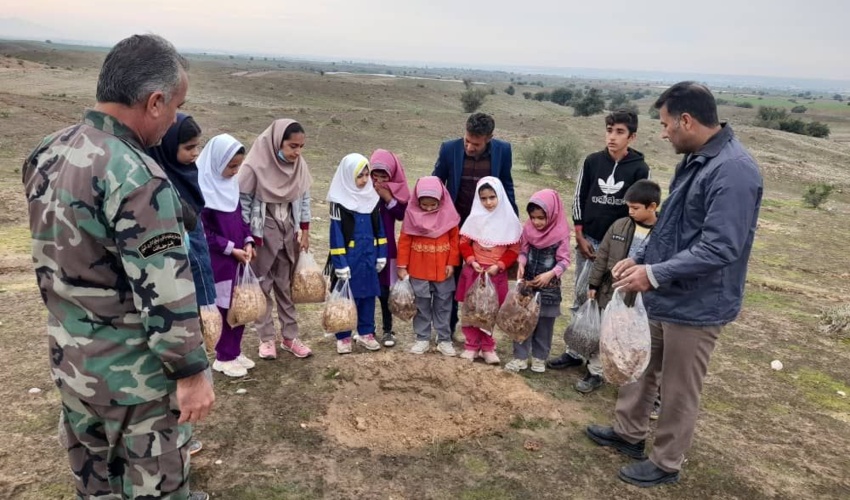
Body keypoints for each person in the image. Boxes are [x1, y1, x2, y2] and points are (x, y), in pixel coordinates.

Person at [22, 34, 213, 500]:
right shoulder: (136, 175)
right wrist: (191, 373)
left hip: (73, 364)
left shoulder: (48, 151)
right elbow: (165, 294)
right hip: (135, 384)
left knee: (97, 485)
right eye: (175, 107)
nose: (173, 120)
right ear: (154, 102)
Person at [586, 82, 763, 488]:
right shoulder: (696, 160)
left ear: (686, 120)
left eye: (666, 124)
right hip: (664, 293)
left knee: (679, 386)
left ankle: (666, 461)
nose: (663, 133)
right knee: (640, 365)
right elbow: (669, 224)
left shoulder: (733, 171)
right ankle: (628, 433)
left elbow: (722, 247)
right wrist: (643, 258)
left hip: (699, 303)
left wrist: (655, 273)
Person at [548, 109, 651, 371]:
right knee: (582, 295)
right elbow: (579, 197)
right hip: (589, 243)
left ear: (632, 137)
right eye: (609, 130)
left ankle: (598, 363)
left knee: (609, 303)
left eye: (619, 132)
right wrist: (580, 235)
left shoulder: (640, 168)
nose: (612, 137)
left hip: (618, 249)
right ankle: (575, 350)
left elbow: (637, 210)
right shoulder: (592, 161)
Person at [147, 112, 213, 457]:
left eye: (198, 147)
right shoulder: (154, 185)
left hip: (193, 280)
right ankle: (176, 445)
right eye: (189, 148)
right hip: (172, 294)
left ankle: (183, 438)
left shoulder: (185, 176)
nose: (195, 154)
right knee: (179, 374)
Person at [433, 112, 517, 338]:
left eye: (476, 144)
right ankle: (447, 331)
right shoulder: (449, 148)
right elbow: (437, 183)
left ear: (489, 138)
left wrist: (513, 224)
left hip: (485, 232)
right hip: (453, 227)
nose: (469, 147)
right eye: (467, 140)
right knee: (452, 277)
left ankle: (480, 331)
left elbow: (506, 186)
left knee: (481, 279)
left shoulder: (503, 150)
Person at [576, 179, 660, 394]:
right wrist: (593, 283)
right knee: (605, 331)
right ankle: (595, 371)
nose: (630, 212)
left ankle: (629, 378)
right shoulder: (619, 225)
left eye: (635, 208)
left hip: (640, 298)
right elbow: (602, 255)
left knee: (630, 338)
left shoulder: (662, 233)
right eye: (628, 207)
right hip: (610, 292)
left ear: (652, 206)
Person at [239, 119, 313, 360]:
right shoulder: (254, 166)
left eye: (301, 147)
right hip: (262, 233)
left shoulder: (299, 165)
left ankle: (290, 337)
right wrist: (247, 237)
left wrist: (305, 230)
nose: (297, 152)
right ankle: (266, 339)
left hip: (288, 233)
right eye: (292, 146)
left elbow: (304, 197)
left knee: (286, 287)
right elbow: (244, 204)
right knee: (262, 286)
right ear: (276, 142)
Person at [199, 134, 256, 378]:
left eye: (238, 166)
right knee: (224, 307)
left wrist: (248, 240)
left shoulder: (231, 187)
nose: (234, 172)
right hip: (220, 262)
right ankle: (223, 356)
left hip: (239, 259)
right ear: (216, 162)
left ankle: (234, 349)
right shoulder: (203, 191)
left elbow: (240, 220)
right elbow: (204, 233)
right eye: (231, 166)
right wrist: (230, 248)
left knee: (241, 306)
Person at [456, 177, 522, 364]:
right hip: (474, 272)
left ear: (499, 195)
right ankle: (471, 345)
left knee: (490, 311)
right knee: (472, 309)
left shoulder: (509, 221)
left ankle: (487, 346)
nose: (488, 202)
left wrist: (499, 265)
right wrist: (470, 260)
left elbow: (513, 249)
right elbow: (464, 243)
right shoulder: (474, 218)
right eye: (483, 198)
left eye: (492, 197)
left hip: (495, 275)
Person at [327, 153, 388, 354]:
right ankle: (343, 336)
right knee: (347, 298)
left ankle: (365, 332)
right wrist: (340, 264)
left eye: (366, 175)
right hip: (350, 257)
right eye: (359, 176)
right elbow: (336, 236)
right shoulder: (339, 203)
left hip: (368, 256)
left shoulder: (372, 200)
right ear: (347, 176)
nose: (364, 180)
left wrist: (381, 254)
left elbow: (379, 230)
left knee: (368, 295)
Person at [505, 189, 571, 374]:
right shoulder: (528, 229)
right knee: (521, 320)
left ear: (552, 214)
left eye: (541, 217)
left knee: (544, 325)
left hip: (548, 288)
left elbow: (564, 261)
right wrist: (521, 263)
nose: (537, 222)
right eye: (533, 217)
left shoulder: (561, 233)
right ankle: (520, 358)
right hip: (527, 286)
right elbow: (524, 251)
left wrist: (550, 274)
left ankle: (540, 358)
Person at [396, 176, 461, 356]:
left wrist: (451, 263)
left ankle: (444, 339)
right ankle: (422, 338)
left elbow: (455, 241)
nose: (429, 208)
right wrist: (402, 266)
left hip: (443, 270)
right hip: (419, 269)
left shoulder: (449, 216)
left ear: (441, 200)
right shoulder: (411, 216)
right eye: (425, 205)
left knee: (443, 305)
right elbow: (404, 241)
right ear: (417, 201)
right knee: (422, 305)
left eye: (434, 205)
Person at [369, 149, 410, 347]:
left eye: (383, 176)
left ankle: (387, 330)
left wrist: (387, 197)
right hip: (366, 247)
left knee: (385, 291)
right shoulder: (363, 189)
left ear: (392, 175)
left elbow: (401, 214)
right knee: (368, 289)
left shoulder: (393, 191)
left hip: (386, 248)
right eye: (374, 175)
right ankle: (367, 329)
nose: (378, 180)